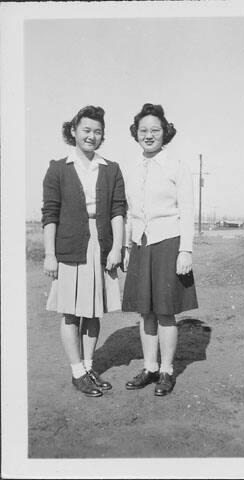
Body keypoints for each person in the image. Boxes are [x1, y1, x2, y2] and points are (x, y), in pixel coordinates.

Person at [42, 105, 126, 397]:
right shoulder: (57, 168)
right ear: (74, 131)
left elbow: (118, 211)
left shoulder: (111, 169)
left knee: (93, 312)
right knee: (70, 314)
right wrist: (50, 254)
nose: (92, 136)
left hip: (101, 246)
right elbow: (50, 214)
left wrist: (117, 247)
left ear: (103, 136)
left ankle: (89, 366)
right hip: (70, 246)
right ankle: (77, 371)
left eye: (98, 131)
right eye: (86, 130)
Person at [122, 103, 198, 396]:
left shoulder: (177, 166)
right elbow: (131, 212)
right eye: (143, 130)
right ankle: (150, 366)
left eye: (155, 130)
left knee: (166, 312)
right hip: (141, 244)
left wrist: (186, 250)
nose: (149, 135)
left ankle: (166, 371)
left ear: (165, 132)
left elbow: (187, 210)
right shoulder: (133, 168)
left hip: (169, 243)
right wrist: (129, 245)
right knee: (145, 312)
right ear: (136, 134)